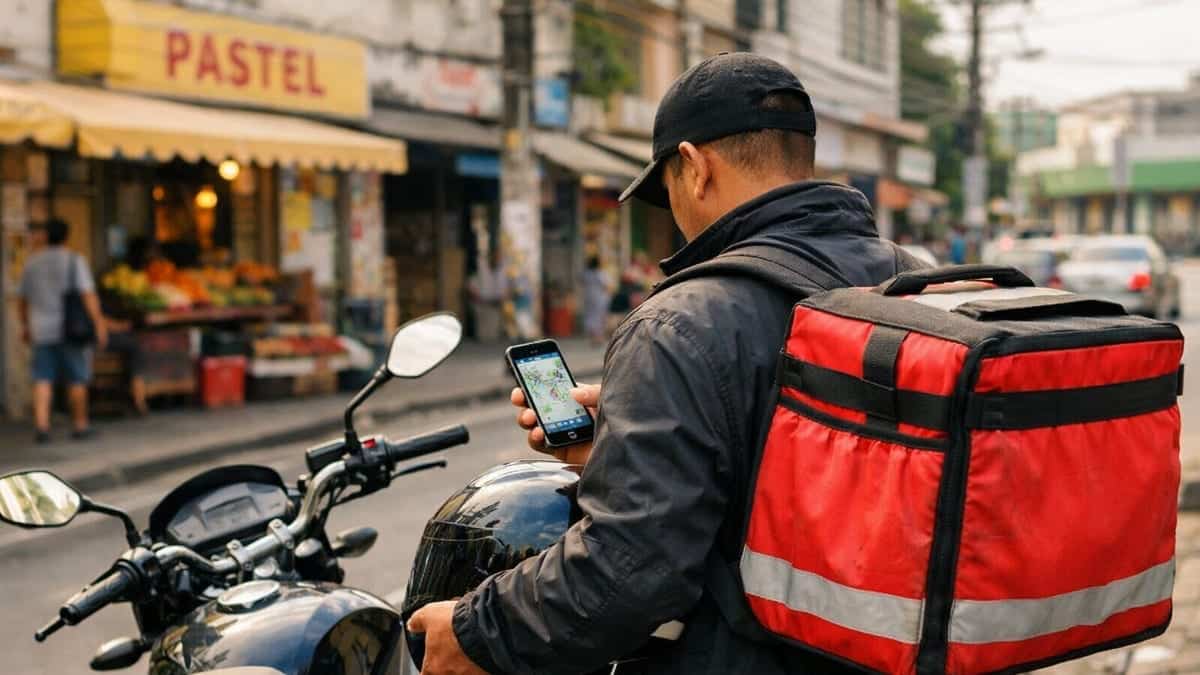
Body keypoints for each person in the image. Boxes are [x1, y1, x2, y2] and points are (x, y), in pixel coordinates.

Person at [407, 53, 927, 675]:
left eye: (668, 191)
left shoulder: (677, 323)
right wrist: (627, 447)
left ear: (693, 166)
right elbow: (820, 479)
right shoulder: (913, 282)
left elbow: (629, 570)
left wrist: (474, 632)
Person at [19, 218, 108, 443]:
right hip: (70, 329)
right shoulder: (74, 261)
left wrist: (25, 326)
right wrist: (99, 323)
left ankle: (42, 427)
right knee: (77, 378)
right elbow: (88, 296)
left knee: (42, 378)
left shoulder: (32, 263)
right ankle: (80, 425)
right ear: (67, 236)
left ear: (46, 236)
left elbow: (22, 299)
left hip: (41, 329)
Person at [580, 256, 612, 345]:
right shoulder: (600, 273)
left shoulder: (587, 273)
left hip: (589, 297)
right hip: (599, 297)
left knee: (590, 316)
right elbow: (606, 285)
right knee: (599, 317)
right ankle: (598, 338)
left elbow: (581, 281)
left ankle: (593, 337)